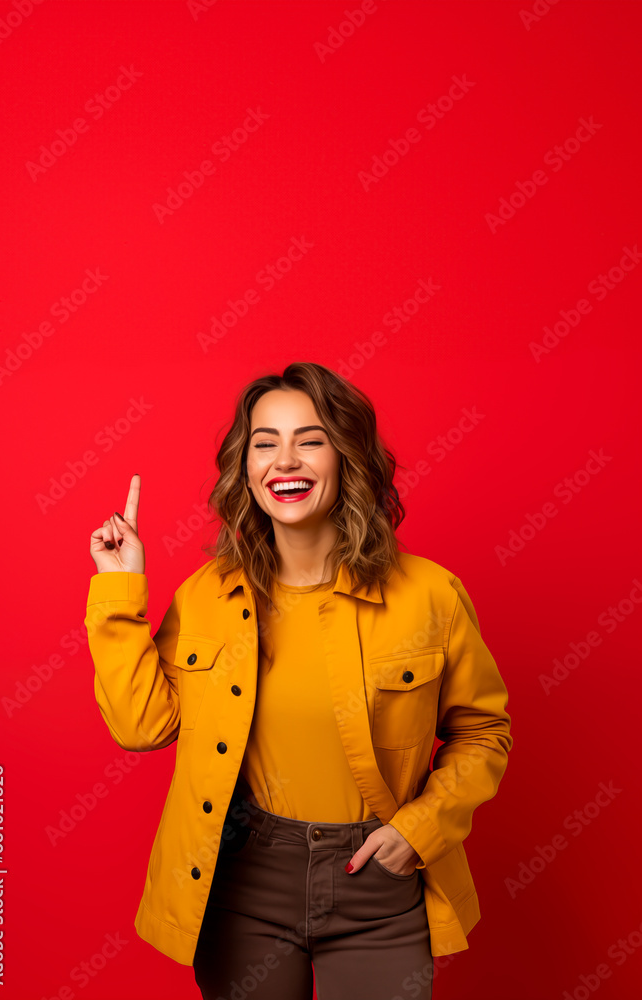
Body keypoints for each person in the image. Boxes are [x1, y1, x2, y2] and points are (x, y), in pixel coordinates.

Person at [85, 361, 513, 1000]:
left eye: (310, 439)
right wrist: (120, 589)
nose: (286, 460)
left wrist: (418, 831)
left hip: (378, 880)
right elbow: (142, 726)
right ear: (245, 465)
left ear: (348, 458)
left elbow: (483, 733)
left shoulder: (430, 595)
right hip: (244, 880)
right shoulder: (206, 596)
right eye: (265, 442)